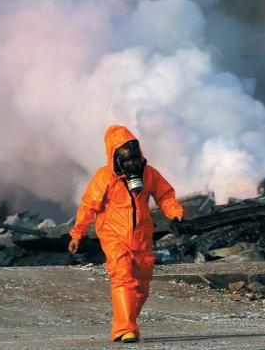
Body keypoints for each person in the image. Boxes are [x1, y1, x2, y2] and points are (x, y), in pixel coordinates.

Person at [68, 124, 190, 343]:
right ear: (116, 159)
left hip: (141, 235)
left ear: (139, 155)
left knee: (142, 284)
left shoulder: (149, 174)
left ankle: (125, 322)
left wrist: (177, 215)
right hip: (113, 234)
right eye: (126, 161)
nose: (131, 164)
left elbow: (165, 196)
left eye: (134, 159)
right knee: (123, 276)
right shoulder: (104, 177)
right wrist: (78, 233)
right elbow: (89, 206)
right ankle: (126, 329)